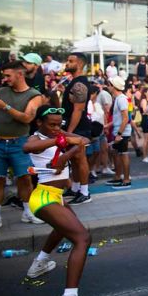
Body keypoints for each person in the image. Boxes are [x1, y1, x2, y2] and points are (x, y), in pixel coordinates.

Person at [22, 105, 100, 296]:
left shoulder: (58, 134)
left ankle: (40, 263)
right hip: (44, 197)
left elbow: (84, 142)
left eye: (59, 124)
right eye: (52, 125)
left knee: (62, 229)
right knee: (83, 238)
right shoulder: (36, 139)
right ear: (39, 123)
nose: (57, 128)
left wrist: (66, 143)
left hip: (55, 196)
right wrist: (62, 143)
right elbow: (27, 149)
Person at [0, 61, 45, 234]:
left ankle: (28, 212)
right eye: (4, 76)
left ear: (20, 74)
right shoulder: (1, 91)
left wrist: (6, 107)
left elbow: (27, 118)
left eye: (8, 75)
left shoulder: (35, 95)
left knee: (24, 178)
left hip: (20, 143)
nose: (5, 79)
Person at [61, 53, 93, 205]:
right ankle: (75, 188)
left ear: (79, 64)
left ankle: (85, 192)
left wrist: (70, 132)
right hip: (72, 127)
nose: (67, 63)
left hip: (79, 129)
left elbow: (78, 110)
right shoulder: (73, 82)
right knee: (74, 160)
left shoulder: (80, 84)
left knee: (80, 159)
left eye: (71, 61)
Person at [106, 77, 132, 189]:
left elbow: (125, 118)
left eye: (109, 84)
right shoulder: (118, 98)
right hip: (119, 131)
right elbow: (119, 118)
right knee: (116, 153)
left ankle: (126, 180)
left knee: (123, 154)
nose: (108, 86)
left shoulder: (121, 99)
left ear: (113, 86)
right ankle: (118, 177)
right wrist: (108, 125)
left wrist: (119, 134)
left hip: (122, 132)